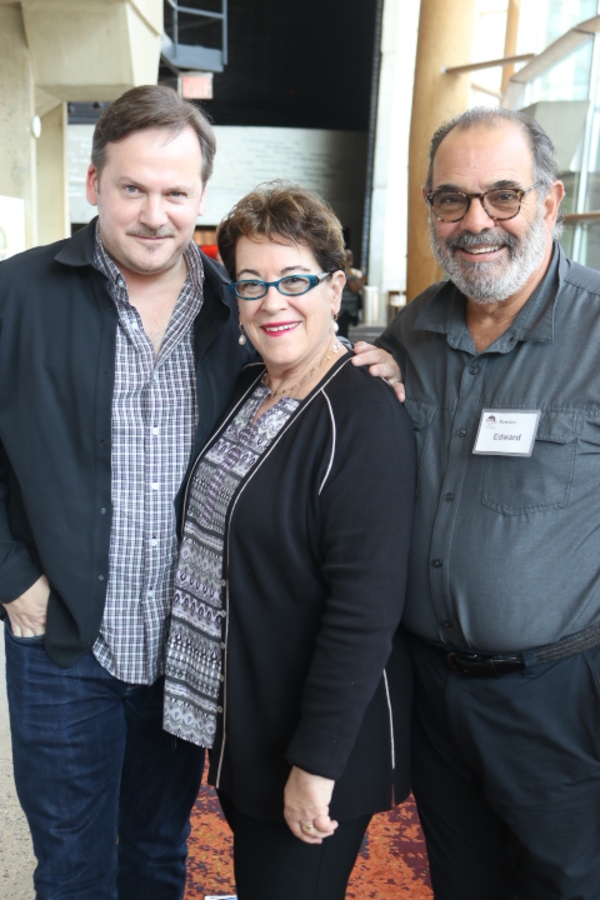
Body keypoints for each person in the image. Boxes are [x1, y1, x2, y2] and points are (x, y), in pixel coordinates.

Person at [0, 84, 256, 899]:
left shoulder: (237, 315)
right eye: (133, 188)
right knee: (73, 871)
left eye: (175, 193)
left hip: (185, 648)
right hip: (64, 642)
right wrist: (12, 578)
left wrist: (376, 363)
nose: (155, 213)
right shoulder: (16, 295)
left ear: (201, 199)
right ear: (93, 186)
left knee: (156, 856)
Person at [369, 105, 600, 899]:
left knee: (564, 882)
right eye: (452, 200)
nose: (476, 222)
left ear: (548, 201)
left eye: (503, 196)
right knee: (460, 881)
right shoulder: (416, 329)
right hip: (431, 694)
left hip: (556, 701)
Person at [162, 182, 416, 900]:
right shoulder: (250, 385)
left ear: (335, 288)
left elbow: (364, 610)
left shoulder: (363, 413)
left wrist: (316, 764)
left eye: (295, 280)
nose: (273, 302)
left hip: (315, 743)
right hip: (252, 724)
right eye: (252, 283)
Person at [337, 248, 366, 338]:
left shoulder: (341, 270)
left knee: (342, 329)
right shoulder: (347, 272)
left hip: (342, 304)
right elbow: (354, 288)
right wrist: (362, 282)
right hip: (345, 306)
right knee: (343, 330)